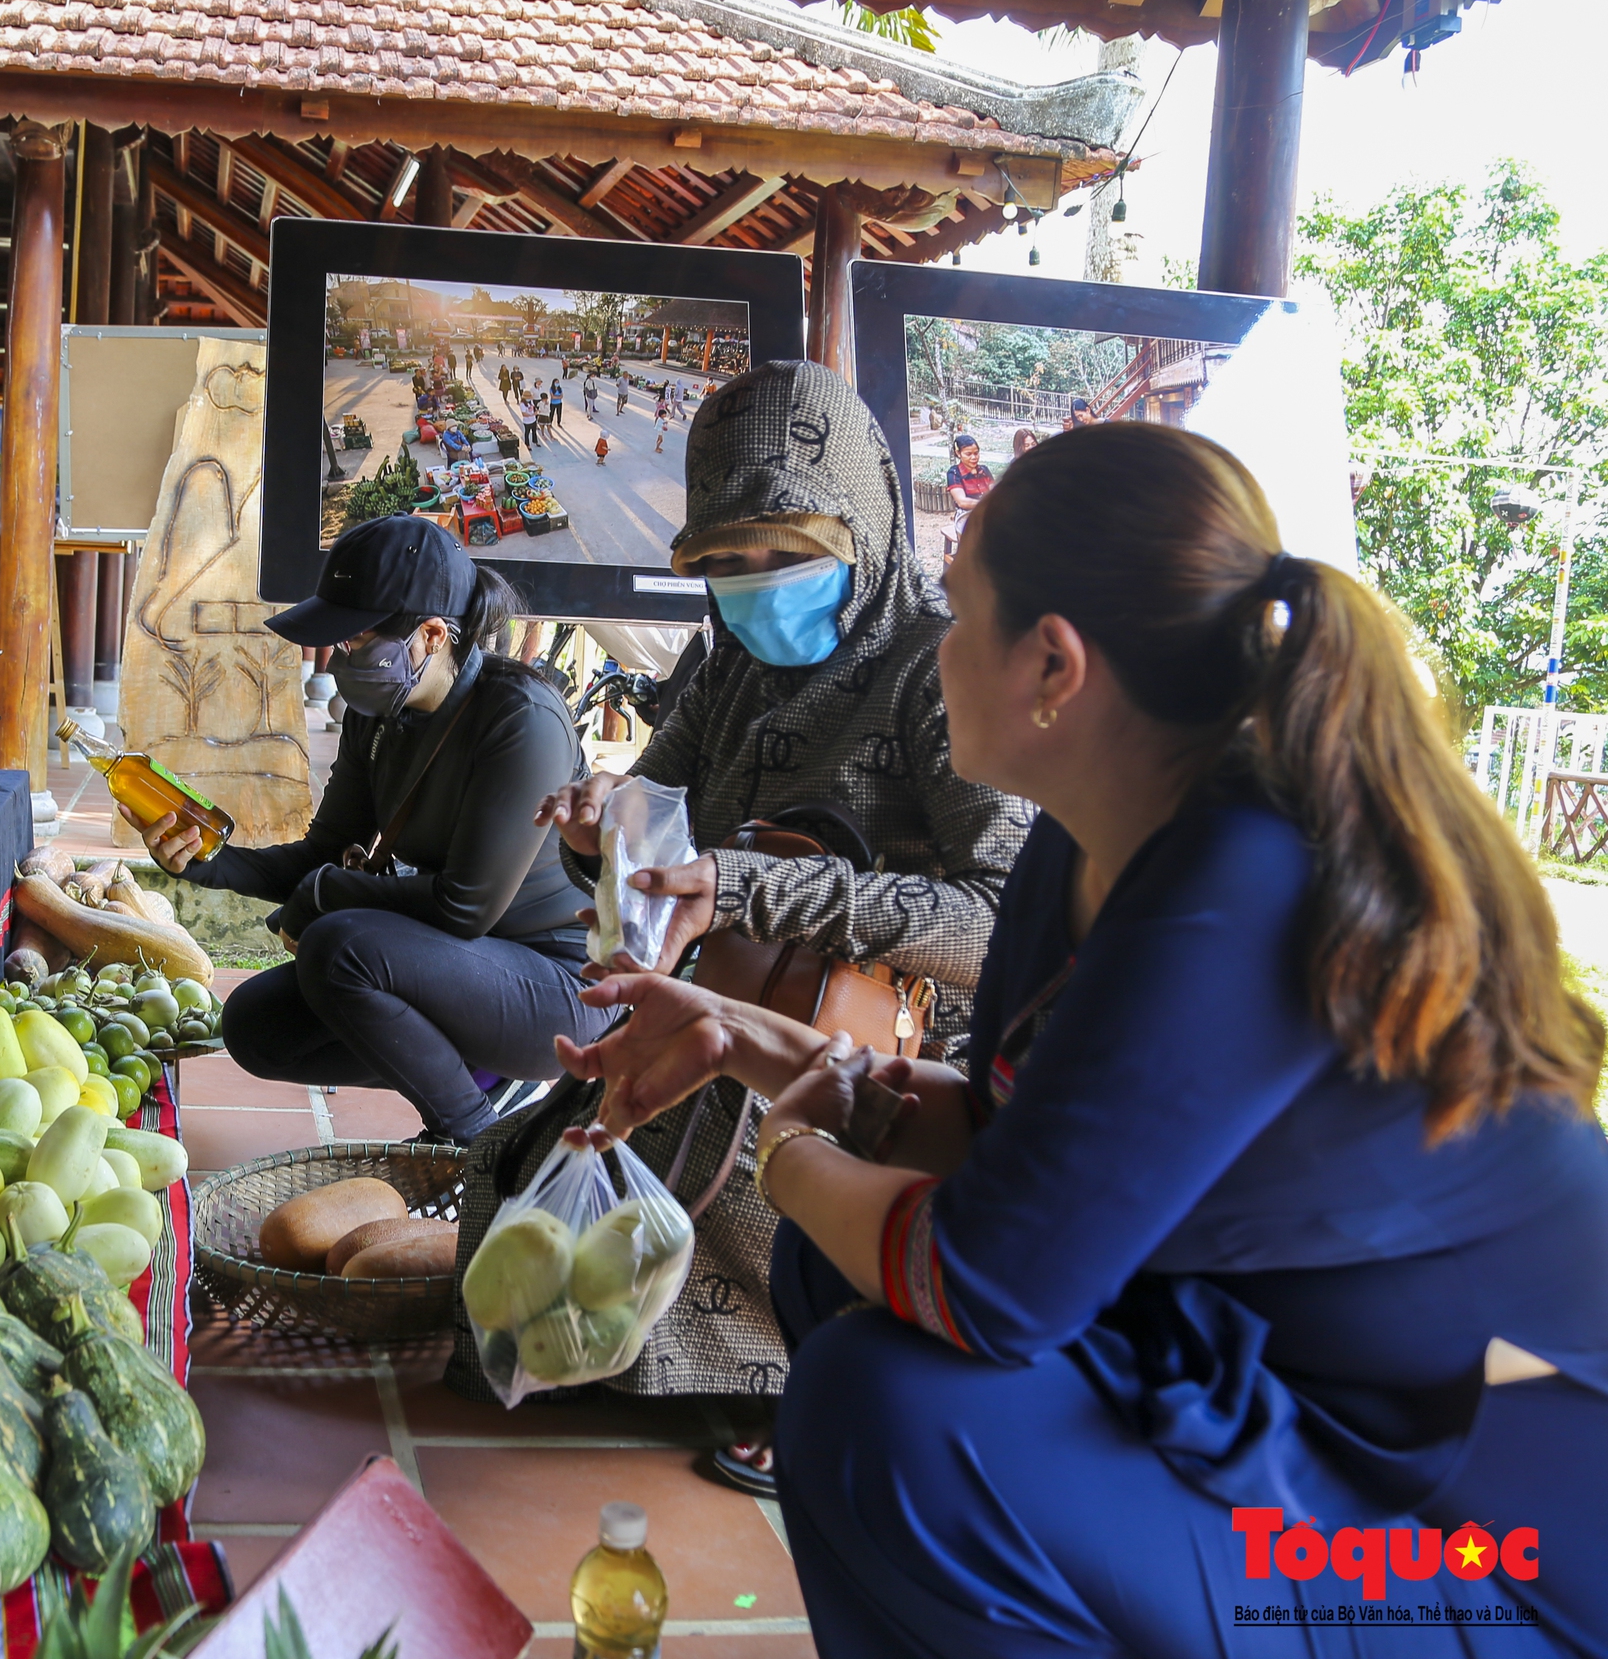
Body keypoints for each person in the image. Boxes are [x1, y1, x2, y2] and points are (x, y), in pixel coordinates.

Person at [561, 423, 1608, 1650]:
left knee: (885, 1413)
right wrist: (744, 1041)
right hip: (1277, 1390)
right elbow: (1014, 1147)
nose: (936, 652)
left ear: (1052, 666)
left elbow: (988, 1284)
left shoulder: (1244, 879)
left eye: (955, 618)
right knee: (832, 1290)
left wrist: (784, 1162)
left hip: (1474, 1521)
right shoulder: (1087, 842)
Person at [474, 360, 1026, 1489]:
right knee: (538, 1179)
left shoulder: (939, 666)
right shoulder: (727, 660)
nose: (752, 585)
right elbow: (658, 815)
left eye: (784, 555)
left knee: (719, 1168)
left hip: (894, 1044)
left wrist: (752, 887)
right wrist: (604, 828)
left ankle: (797, 1374)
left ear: (864, 526)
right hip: (725, 988)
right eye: (723, 563)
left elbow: (995, 918)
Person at [126, 517, 597, 1145]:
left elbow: (466, 907)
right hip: (453, 968)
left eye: (357, 638)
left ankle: (477, 1142)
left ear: (432, 634)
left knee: (342, 945)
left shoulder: (522, 719)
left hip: (559, 989)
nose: (342, 655)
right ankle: (476, 1075)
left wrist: (323, 897)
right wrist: (207, 858)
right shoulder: (378, 719)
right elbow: (322, 855)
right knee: (256, 1027)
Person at [941, 432, 993, 560]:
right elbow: (962, 502)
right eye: (968, 454)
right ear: (958, 454)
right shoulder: (954, 473)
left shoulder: (984, 470)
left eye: (976, 453)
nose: (974, 457)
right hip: (966, 515)